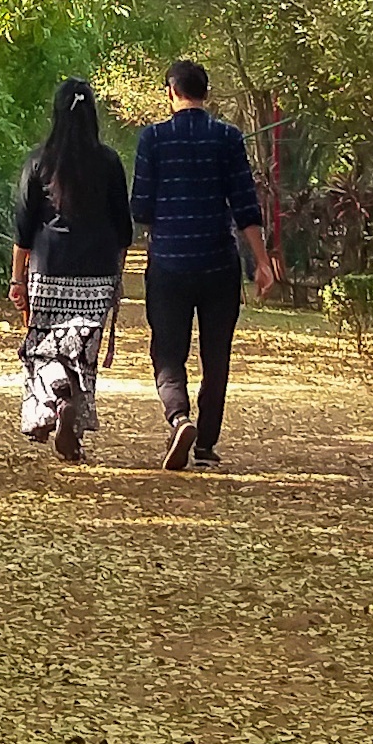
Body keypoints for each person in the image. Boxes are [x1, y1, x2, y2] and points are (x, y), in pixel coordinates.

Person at [131, 59, 276, 471]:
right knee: (217, 356)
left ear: (171, 92)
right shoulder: (227, 138)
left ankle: (179, 417)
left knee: (167, 351)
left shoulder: (153, 140)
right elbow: (246, 205)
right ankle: (206, 444)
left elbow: (140, 207)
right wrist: (262, 264)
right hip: (218, 263)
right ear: (205, 94)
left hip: (169, 264)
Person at [11, 78, 133, 462]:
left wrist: (17, 281)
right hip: (96, 274)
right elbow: (124, 229)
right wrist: (117, 275)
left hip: (49, 269)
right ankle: (73, 428)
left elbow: (23, 228)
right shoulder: (110, 162)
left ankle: (57, 397)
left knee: (44, 347)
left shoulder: (38, 161)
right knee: (82, 353)